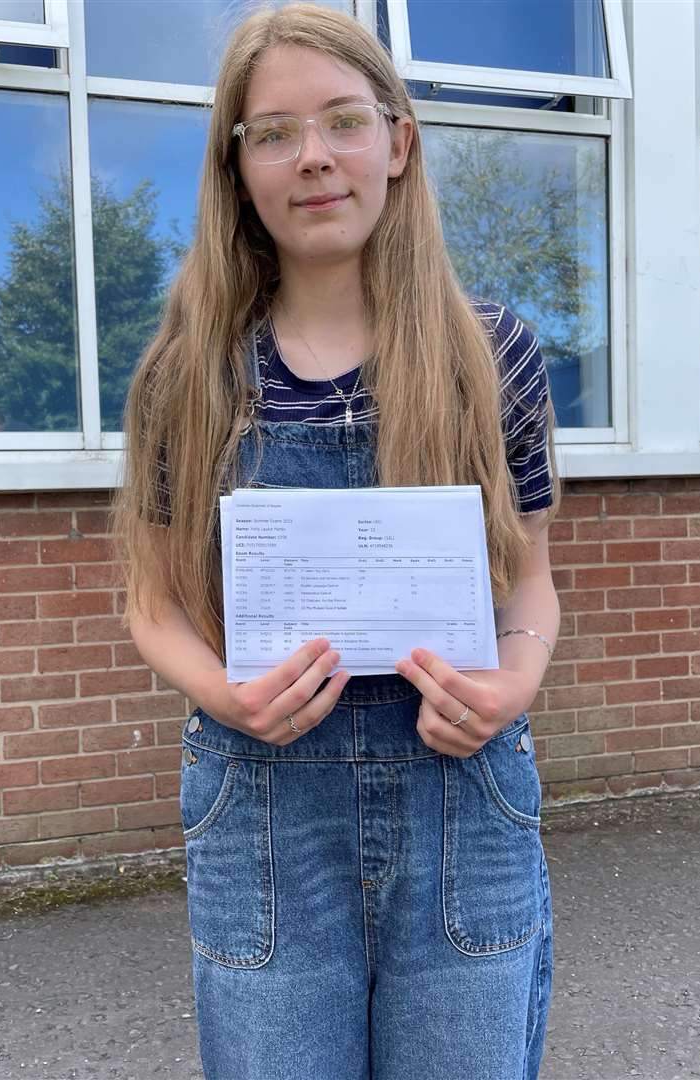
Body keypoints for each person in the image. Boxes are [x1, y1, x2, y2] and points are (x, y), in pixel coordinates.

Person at [114, 5, 561, 1077]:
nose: (312, 158)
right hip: (263, 810)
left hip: (464, 803)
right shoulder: (190, 372)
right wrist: (225, 694)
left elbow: (532, 589)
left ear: (398, 143)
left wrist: (514, 684)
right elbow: (154, 604)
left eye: (343, 122)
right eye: (272, 133)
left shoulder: (490, 352)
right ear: (239, 167)